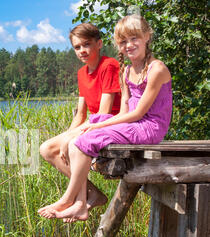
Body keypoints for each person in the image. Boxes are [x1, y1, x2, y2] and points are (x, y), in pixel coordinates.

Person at [39, 14, 172, 223]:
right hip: (132, 123)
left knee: (86, 138)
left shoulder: (157, 69)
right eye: (123, 41)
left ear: (147, 36)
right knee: (76, 141)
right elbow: (123, 112)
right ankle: (80, 205)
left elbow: (138, 114)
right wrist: (93, 126)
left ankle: (67, 199)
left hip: (149, 127)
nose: (128, 45)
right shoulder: (127, 71)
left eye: (134, 38)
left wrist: (98, 125)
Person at [38, 23, 121, 216]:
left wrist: (71, 138)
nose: (82, 50)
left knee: (73, 142)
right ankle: (90, 196)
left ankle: (78, 201)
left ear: (99, 44)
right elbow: (81, 115)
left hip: (111, 123)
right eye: (77, 47)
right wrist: (66, 136)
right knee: (46, 149)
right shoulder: (82, 73)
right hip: (93, 122)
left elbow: (104, 112)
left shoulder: (109, 65)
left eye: (86, 44)